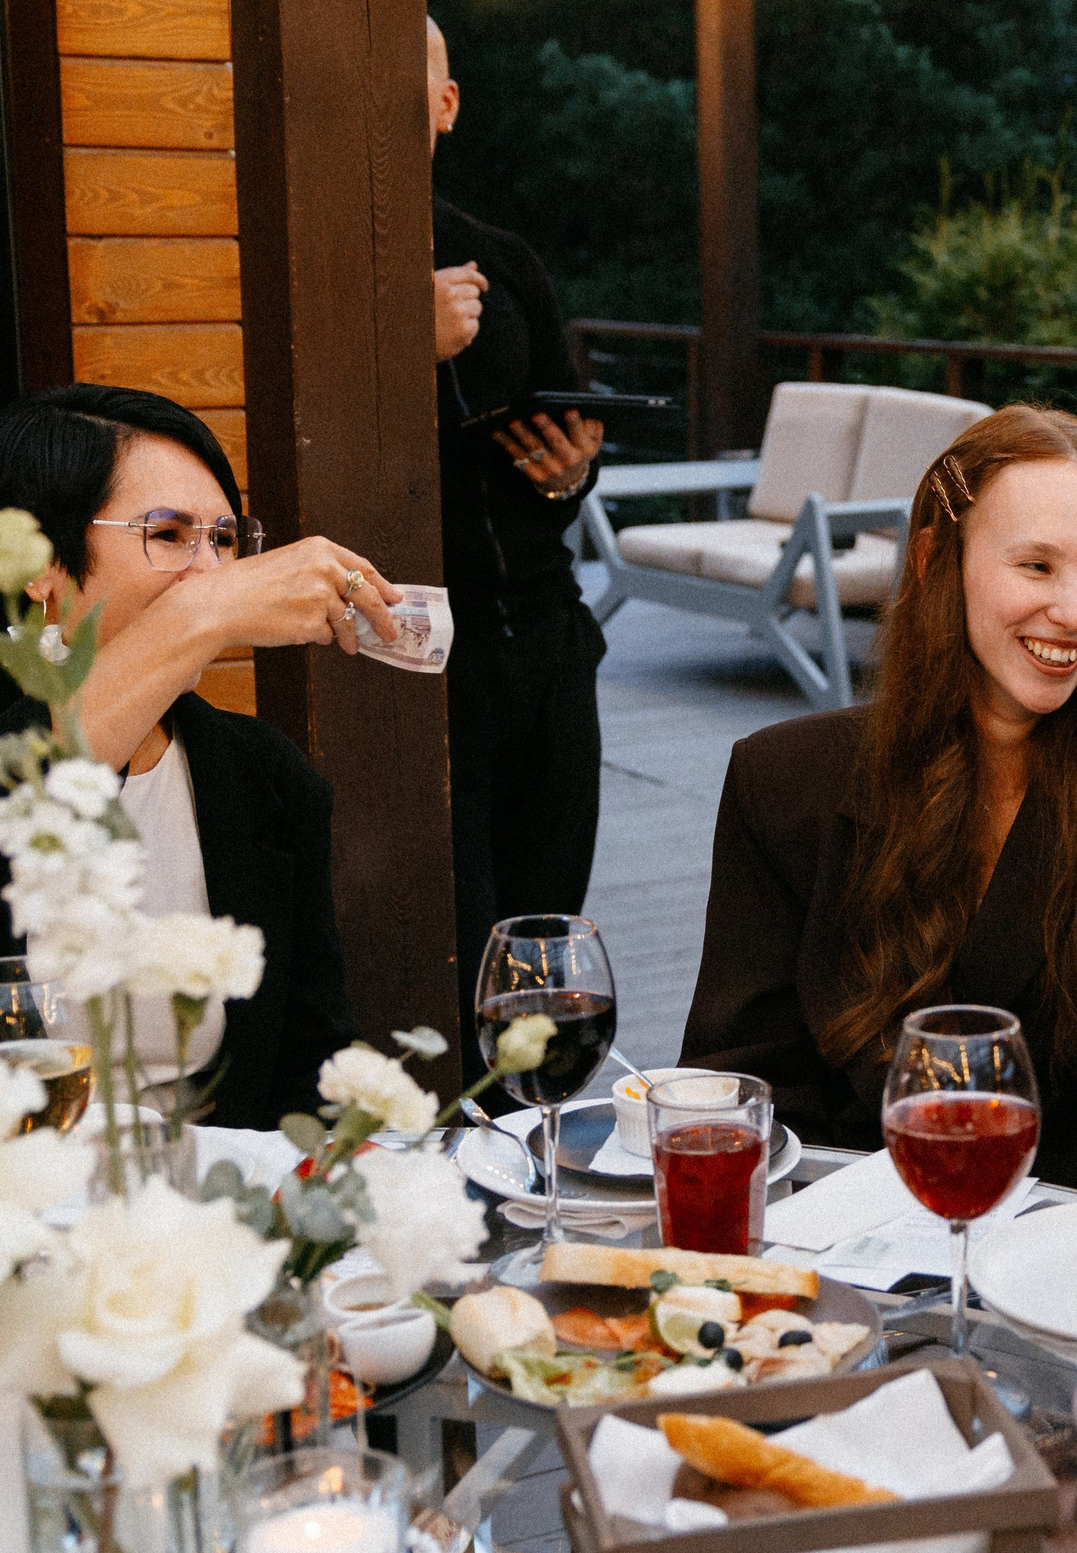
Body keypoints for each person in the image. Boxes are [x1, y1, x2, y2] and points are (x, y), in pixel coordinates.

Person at [678, 406, 1077, 1196]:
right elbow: (742, 1082)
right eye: (1037, 566)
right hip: (833, 1222)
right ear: (936, 559)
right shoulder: (784, 779)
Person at [0, 384, 395, 1126]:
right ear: (40, 565)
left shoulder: (263, 776)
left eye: (221, 539)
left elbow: (309, 1068)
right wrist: (197, 612)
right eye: (170, 533)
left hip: (188, 1213)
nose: (213, 572)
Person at [427, 15, 609, 1085]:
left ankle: (537, 1120)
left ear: (448, 106)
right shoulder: (317, 271)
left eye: (421, 78)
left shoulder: (501, 260)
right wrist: (400, 340)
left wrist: (573, 469)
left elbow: (570, 427)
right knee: (453, 924)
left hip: (543, 633)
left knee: (548, 928)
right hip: (416, 654)